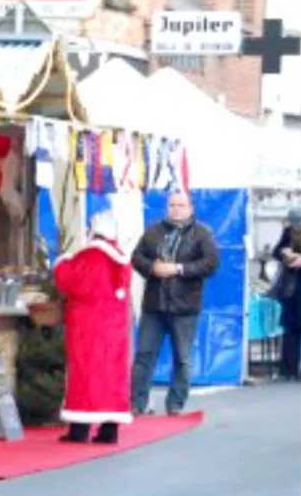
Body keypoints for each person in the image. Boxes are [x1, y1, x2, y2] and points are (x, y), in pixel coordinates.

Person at [130, 190, 219, 416]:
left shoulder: (202, 234)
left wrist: (179, 269)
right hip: (154, 305)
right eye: (172, 205)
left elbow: (211, 263)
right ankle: (136, 402)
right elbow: (136, 257)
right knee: (144, 355)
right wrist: (152, 268)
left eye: (181, 205)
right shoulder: (154, 231)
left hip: (185, 306)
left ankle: (175, 403)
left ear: (191, 208)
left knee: (183, 358)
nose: (176, 209)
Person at [54, 211, 134, 444]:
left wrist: (62, 259)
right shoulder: (121, 258)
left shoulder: (88, 257)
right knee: (113, 376)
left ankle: (79, 430)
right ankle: (110, 431)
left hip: (86, 326)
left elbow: (67, 281)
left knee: (84, 374)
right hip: (115, 328)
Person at [271, 206, 301, 379]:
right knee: (290, 327)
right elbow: (276, 252)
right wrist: (285, 253)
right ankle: (289, 369)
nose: (298, 227)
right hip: (291, 287)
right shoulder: (288, 232)